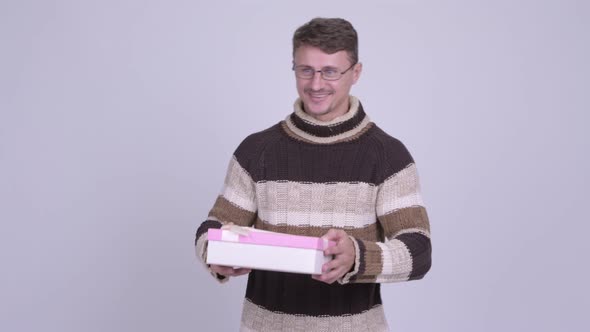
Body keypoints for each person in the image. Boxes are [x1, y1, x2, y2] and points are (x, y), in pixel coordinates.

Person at [195, 17, 432, 332]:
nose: (316, 84)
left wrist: (358, 257)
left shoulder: (387, 155)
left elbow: (419, 251)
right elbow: (212, 228)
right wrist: (215, 254)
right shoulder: (257, 151)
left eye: (330, 71)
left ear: (356, 73)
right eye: (306, 70)